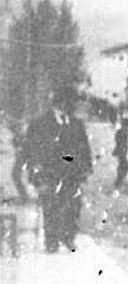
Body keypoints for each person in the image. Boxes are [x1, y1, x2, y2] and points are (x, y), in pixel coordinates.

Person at [24, 84, 93, 253]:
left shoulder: (76, 124)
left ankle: (68, 237)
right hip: (50, 175)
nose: (74, 106)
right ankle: (52, 241)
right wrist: (36, 178)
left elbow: (84, 148)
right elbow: (31, 152)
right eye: (72, 102)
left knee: (73, 206)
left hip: (72, 174)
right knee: (51, 207)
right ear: (62, 103)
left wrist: (86, 168)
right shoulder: (40, 124)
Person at [113, 115, 128, 189]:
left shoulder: (121, 131)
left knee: (123, 165)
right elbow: (121, 141)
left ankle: (119, 180)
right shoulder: (123, 132)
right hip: (123, 150)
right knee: (124, 165)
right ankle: (119, 181)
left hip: (123, 150)